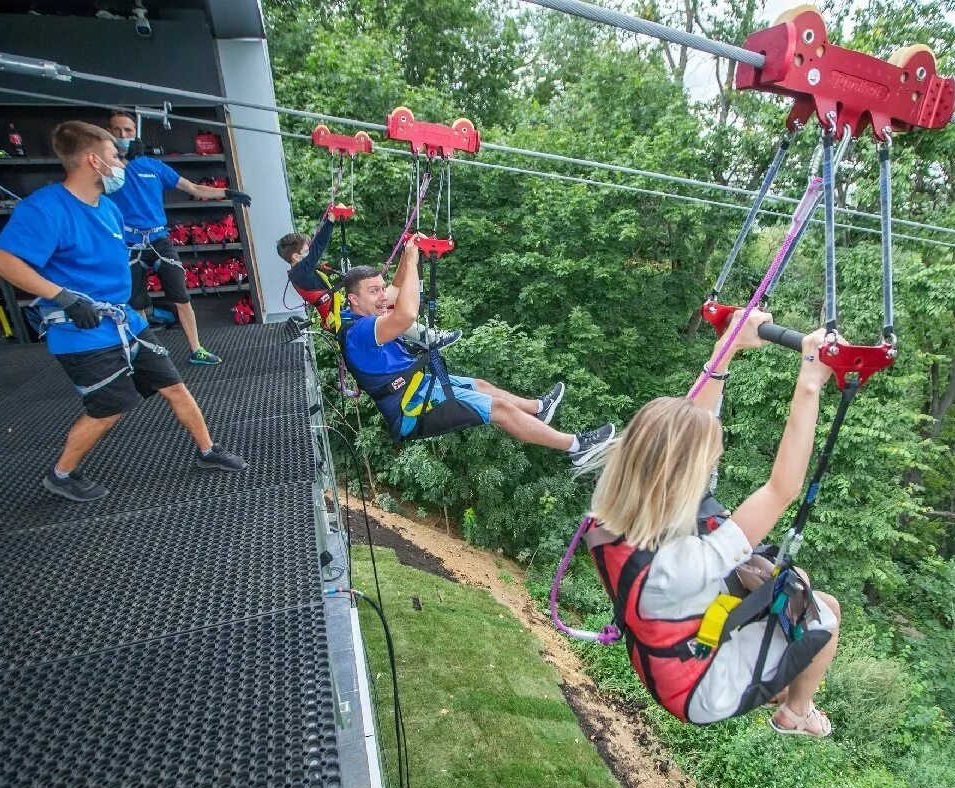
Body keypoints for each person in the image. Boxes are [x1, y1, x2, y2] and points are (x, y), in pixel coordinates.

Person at [581, 309, 841, 734]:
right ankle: (796, 710)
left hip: (665, 638)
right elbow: (781, 489)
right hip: (698, 688)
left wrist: (725, 351)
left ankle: (782, 688)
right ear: (684, 478)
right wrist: (809, 384)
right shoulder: (679, 565)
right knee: (824, 614)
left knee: (796, 583)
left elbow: (681, 432)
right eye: (709, 463)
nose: (711, 469)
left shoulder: (614, 509)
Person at [0, 121, 246, 502]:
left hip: (126, 320)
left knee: (173, 384)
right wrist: (65, 297)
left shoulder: (107, 207)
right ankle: (62, 473)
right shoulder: (47, 208)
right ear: (94, 160)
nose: (120, 163)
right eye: (114, 156)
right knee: (109, 408)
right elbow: (1, 261)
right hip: (83, 329)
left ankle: (208, 452)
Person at [340, 239, 614, 461]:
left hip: (419, 387)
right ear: (354, 298)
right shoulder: (361, 332)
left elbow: (398, 286)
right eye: (374, 292)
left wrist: (407, 254)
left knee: (483, 385)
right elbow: (407, 314)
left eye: (380, 289)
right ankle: (578, 447)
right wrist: (412, 261)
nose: (382, 297)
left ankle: (538, 408)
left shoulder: (361, 317)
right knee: (500, 409)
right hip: (410, 408)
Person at [106, 110, 252, 366]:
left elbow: (193, 188)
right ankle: (147, 350)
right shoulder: (108, 169)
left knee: (181, 297)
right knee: (137, 301)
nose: (122, 135)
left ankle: (197, 349)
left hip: (158, 239)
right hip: (127, 243)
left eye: (128, 131)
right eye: (117, 131)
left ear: (135, 133)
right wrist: (122, 159)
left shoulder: (153, 166)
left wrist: (227, 193)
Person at [276, 214, 460, 351]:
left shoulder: (301, 272)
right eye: (306, 251)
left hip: (342, 310)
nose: (311, 254)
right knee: (387, 312)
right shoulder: (300, 272)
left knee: (388, 298)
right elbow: (318, 247)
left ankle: (426, 336)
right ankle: (429, 337)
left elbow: (315, 250)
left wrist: (407, 253)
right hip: (341, 317)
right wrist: (330, 220)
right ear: (295, 256)